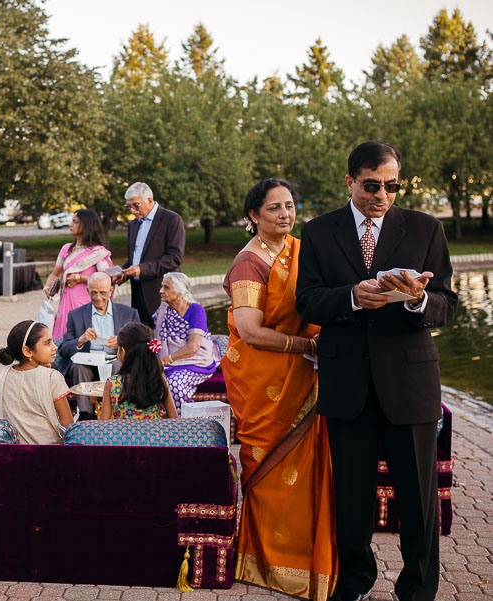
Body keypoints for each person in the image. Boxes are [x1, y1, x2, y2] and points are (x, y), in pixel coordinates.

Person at [296, 143, 458, 601]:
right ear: (350, 182)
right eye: (371, 185)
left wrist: (416, 300)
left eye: (391, 185)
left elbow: (448, 304)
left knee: (419, 500)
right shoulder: (319, 231)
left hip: (410, 384)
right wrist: (351, 296)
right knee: (352, 499)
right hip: (347, 385)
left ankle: (418, 590)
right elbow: (306, 300)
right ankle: (354, 583)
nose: (382, 194)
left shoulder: (426, 228)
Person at [221, 178, 337, 600]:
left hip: (304, 376)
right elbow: (251, 331)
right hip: (265, 382)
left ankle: (310, 558)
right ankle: (266, 563)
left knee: (309, 472)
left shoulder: (301, 249)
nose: (285, 214)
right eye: (274, 208)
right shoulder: (248, 264)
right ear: (253, 216)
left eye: (289, 206)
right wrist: (308, 345)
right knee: (268, 469)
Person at [57, 272, 140, 419]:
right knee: (78, 367)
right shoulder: (75, 315)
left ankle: (118, 410)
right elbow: (63, 350)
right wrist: (80, 340)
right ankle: (85, 414)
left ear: (110, 291)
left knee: (118, 365)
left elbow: (140, 345)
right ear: (87, 291)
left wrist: (122, 343)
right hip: (88, 362)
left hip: (115, 359)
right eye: (93, 293)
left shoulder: (129, 313)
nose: (98, 297)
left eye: (102, 293)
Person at [113, 182, 185, 328]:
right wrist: (123, 273)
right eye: (129, 206)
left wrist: (141, 269)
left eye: (136, 205)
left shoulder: (171, 219)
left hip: (163, 293)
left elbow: (174, 258)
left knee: (165, 342)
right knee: (142, 341)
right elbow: (134, 259)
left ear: (150, 200)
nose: (132, 210)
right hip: (138, 293)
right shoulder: (133, 225)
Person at [0, 320, 74, 444]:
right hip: (48, 453)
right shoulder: (52, 377)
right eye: (47, 343)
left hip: (17, 450)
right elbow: (68, 426)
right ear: (27, 351)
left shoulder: (6, 375)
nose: (55, 347)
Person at [152, 272, 219, 411]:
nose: (160, 291)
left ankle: (183, 424)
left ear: (180, 293)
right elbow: (155, 335)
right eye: (161, 286)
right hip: (170, 362)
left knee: (175, 383)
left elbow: (193, 347)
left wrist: (166, 359)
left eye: (166, 288)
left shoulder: (196, 310)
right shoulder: (164, 309)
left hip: (195, 361)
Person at [42, 209, 113, 340]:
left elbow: (107, 279)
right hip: (65, 304)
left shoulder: (97, 252)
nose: (70, 224)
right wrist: (47, 287)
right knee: (63, 340)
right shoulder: (66, 249)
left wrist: (81, 278)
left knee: (85, 339)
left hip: (85, 304)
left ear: (86, 225)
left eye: (75, 222)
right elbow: (55, 273)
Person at [99, 322, 178, 420]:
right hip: (154, 435)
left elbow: (102, 424)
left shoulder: (112, 383)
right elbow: (174, 419)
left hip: (124, 435)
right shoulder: (158, 378)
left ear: (122, 351)